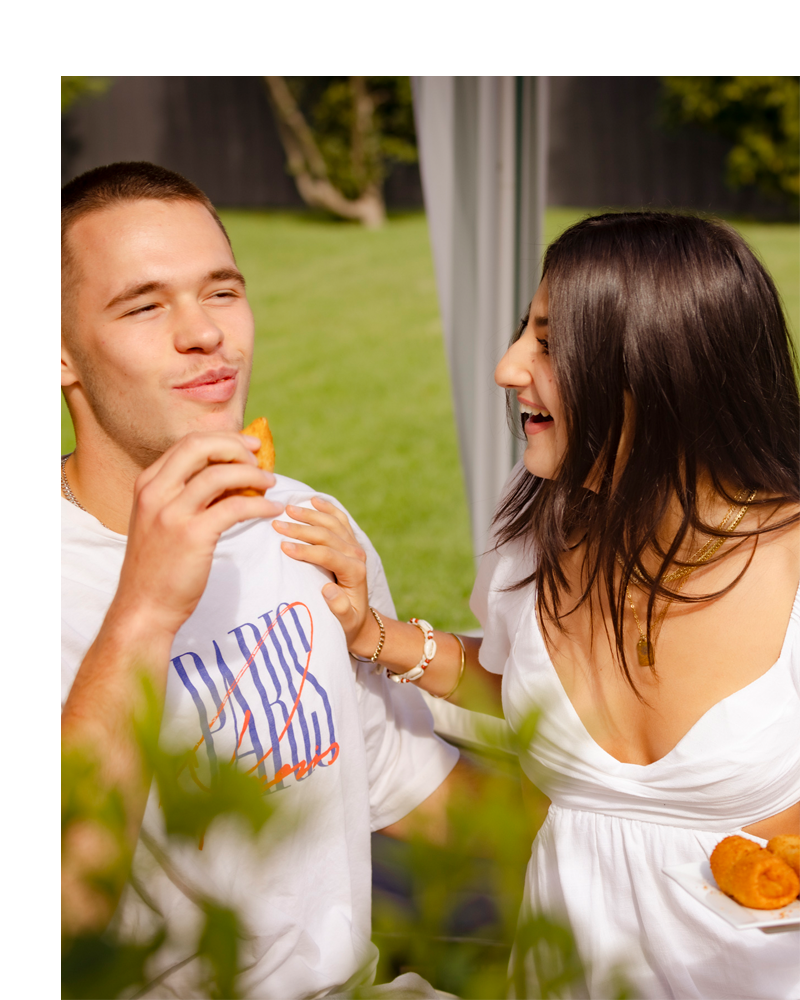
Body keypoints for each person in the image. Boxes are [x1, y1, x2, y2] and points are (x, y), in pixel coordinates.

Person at [280, 212, 800, 1000]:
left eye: (550, 343)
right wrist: (372, 634)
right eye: (525, 332)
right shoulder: (532, 535)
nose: (507, 366)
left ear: (659, 369)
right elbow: (519, 686)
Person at [60, 161, 462, 1000]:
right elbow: (56, 911)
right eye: (144, 305)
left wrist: (679, 820)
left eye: (221, 291)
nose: (205, 333)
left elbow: (409, 792)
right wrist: (142, 613)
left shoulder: (307, 520)